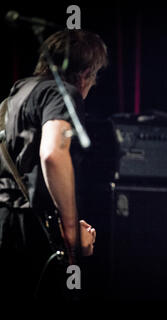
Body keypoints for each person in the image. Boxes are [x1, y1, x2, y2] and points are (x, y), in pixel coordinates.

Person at [0, 29, 107, 300]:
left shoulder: (19, 91)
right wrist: (70, 231)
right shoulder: (61, 93)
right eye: (93, 76)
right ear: (85, 73)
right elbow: (53, 153)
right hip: (28, 229)